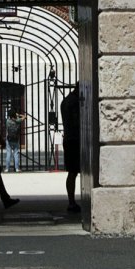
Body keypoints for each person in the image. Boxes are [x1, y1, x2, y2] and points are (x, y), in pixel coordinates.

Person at [60, 85, 83, 216]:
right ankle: (72, 202)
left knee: (72, 172)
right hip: (75, 139)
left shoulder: (66, 100)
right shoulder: (74, 102)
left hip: (69, 138)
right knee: (73, 172)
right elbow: (76, 122)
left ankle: (71, 201)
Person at [2, 103, 24, 172]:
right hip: (16, 139)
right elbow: (24, 116)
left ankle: (7, 168)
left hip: (9, 139)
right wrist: (18, 115)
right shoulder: (18, 121)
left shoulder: (8, 121)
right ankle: (17, 168)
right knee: (16, 153)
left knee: (8, 153)